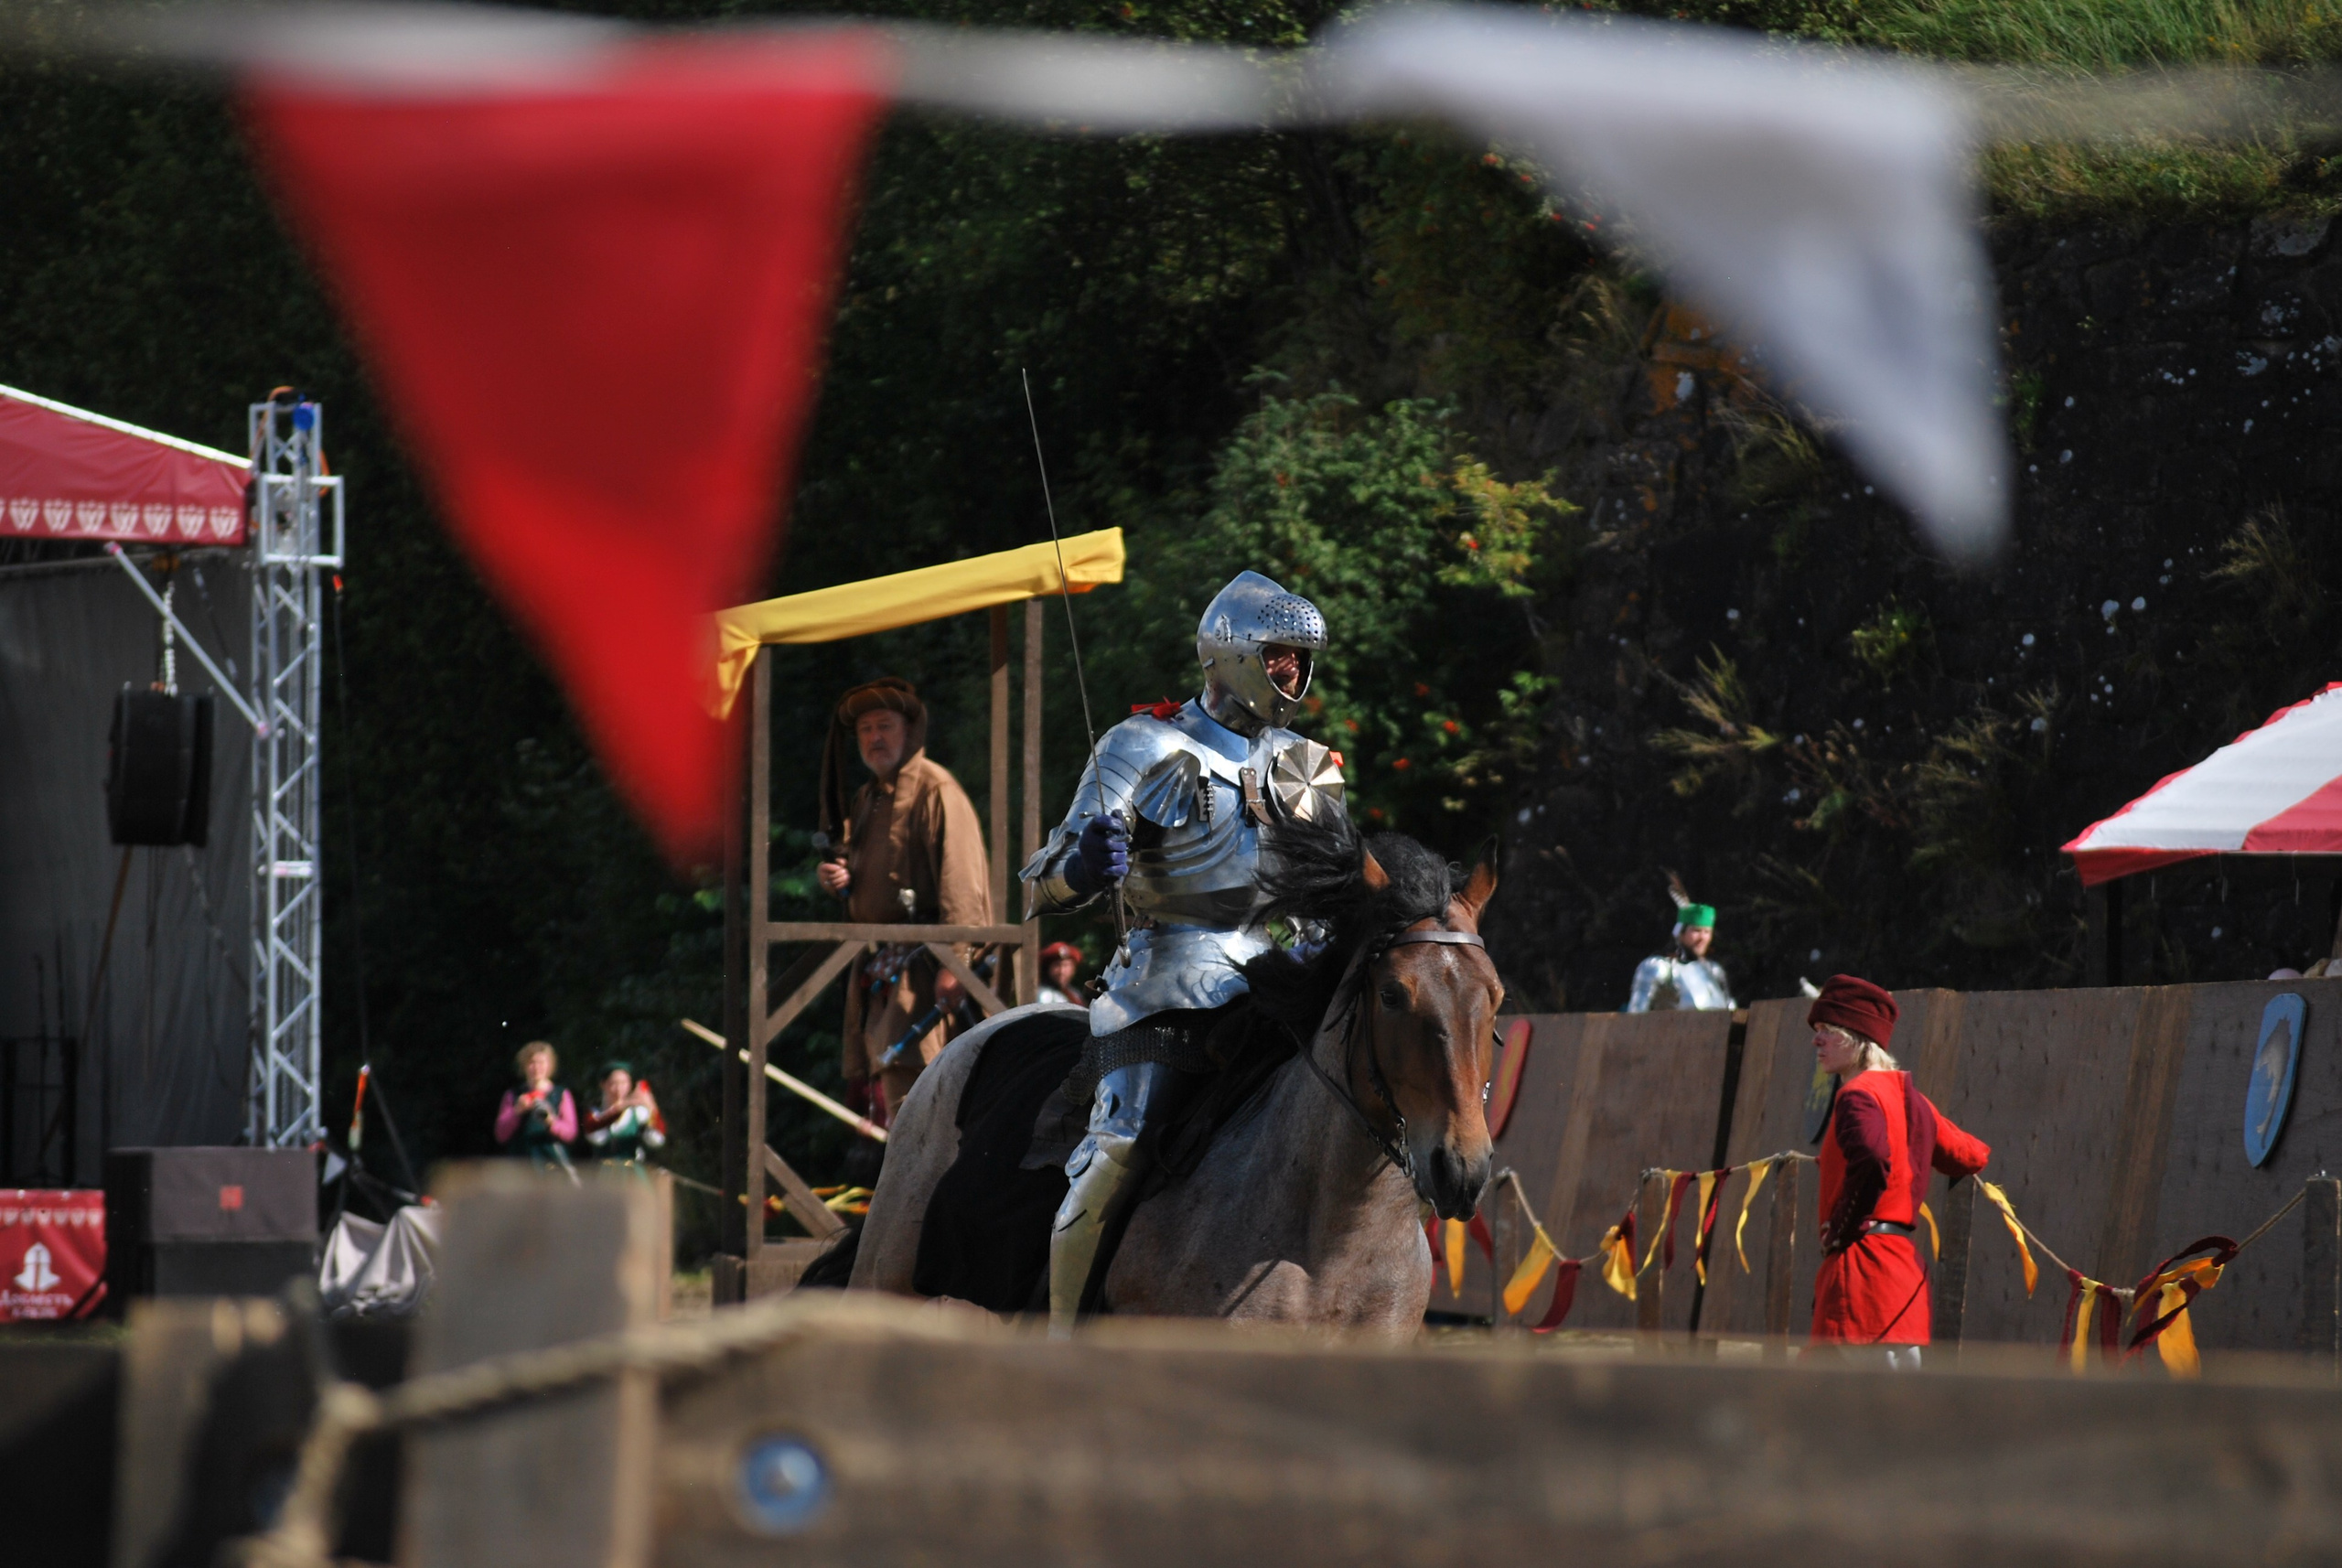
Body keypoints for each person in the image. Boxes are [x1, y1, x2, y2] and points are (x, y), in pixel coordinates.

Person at [1022, 568, 1345, 1334]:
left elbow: (1333, 887)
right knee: (1119, 1149)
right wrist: (1081, 865)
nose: (1293, 675)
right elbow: (1039, 885)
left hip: (1287, 979)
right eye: (1279, 657)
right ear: (1231, 653)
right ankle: (1059, 1335)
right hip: (1167, 982)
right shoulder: (1143, 742)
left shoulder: (1309, 764)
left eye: (1301, 660)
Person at [816, 676, 994, 1122]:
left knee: (927, 1100)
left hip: (926, 970)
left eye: (885, 726)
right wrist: (840, 877)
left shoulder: (937, 790)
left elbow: (963, 883)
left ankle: (930, 1193)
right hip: (883, 970)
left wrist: (958, 961)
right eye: (865, 730)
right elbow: (874, 877)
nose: (875, 738)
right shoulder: (866, 798)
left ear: (909, 731)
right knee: (898, 1103)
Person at [1806, 974, 1991, 1366]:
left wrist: (1841, 1226)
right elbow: (1970, 1155)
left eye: (1828, 1031)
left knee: (1847, 1417)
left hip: (1862, 1276)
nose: (1816, 1041)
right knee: (1894, 1416)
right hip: (1901, 1279)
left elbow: (1872, 1157)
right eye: (1817, 1031)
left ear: (1858, 1039)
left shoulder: (1856, 1096)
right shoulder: (1912, 1101)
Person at [1626, 884, 1734, 1012]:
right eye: (1696, 931)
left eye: (1707, 932)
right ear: (1680, 933)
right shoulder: (1658, 968)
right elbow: (1635, 1016)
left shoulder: (1714, 971)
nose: (1702, 938)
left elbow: (1731, 1013)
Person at [494, 1041, 578, 1173]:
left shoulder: (561, 1094)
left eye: (542, 1062)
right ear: (524, 1066)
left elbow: (570, 1133)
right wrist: (517, 1111)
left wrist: (551, 1121)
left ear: (550, 1065)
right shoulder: (513, 1095)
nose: (537, 1067)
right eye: (532, 1062)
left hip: (552, 1165)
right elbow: (501, 1134)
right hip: (521, 1165)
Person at [582, 1060, 666, 1170]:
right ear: (603, 1085)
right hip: (604, 1174)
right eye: (613, 1083)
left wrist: (652, 1108)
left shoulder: (637, 1113)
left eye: (624, 1083)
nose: (619, 1088)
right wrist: (621, 1107)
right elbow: (595, 1136)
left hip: (632, 1173)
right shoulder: (595, 1113)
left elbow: (657, 1140)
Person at [1037, 941, 1085, 1006]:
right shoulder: (1043, 994)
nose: (1061, 971)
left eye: (1066, 965)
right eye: (1057, 965)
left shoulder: (1075, 994)